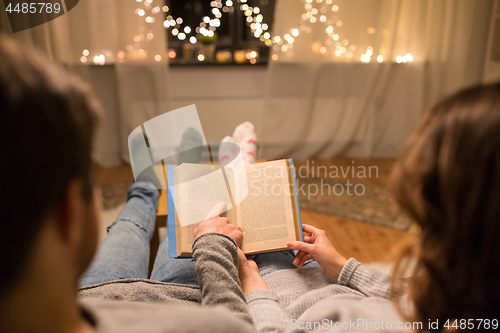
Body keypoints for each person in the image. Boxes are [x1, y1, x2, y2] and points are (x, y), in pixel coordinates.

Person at [0, 35, 255, 333]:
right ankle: (175, 176)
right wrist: (212, 245)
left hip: (96, 295)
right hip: (172, 301)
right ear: (69, 212)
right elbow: (236, 320)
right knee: (157, 217)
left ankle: (150, 183)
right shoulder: (214, 327)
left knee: (132, 222)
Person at [237, 82, 500, 332]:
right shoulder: (474, 299)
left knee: (252, 243)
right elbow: (415, 297)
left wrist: (253, 291)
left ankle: (241, 171)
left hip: (283, 299)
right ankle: (242, 171)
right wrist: (343, 266)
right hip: (337, 288)